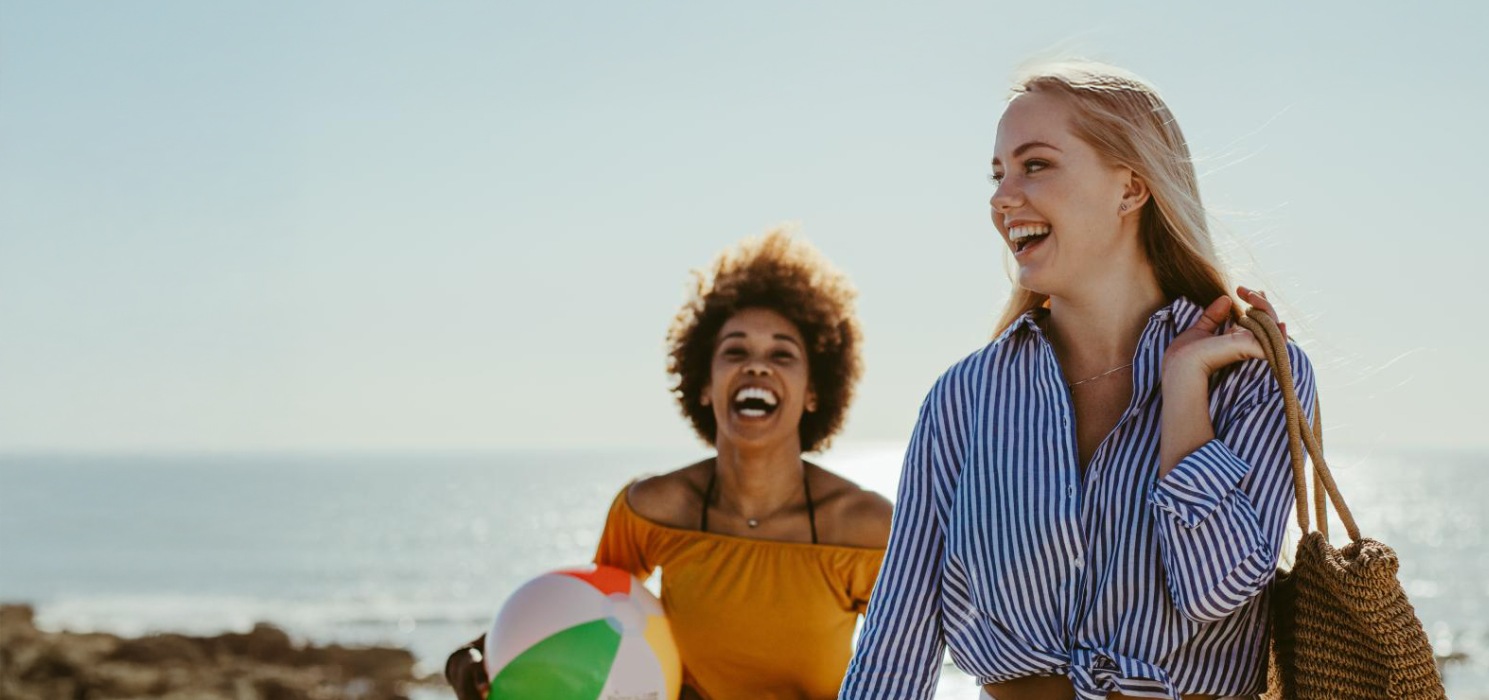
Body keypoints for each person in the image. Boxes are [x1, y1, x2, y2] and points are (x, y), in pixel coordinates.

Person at [839, 61, 1310, 700]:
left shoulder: (1250, 374)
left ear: (1131, 188)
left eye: (1035, 165)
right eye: (998, 173)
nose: (1003, 197)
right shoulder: (966, 399)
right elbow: (897, 640)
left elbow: (1216, 589)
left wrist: (1183, 395)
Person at [449, 228, 893, 700]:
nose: (757, 367)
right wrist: (485, 657)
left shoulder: (866, 527)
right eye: (735, 351)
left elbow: (901, 675)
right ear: (704, 384)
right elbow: (592, 621)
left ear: (813, 393)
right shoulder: (651, 508)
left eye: (782, 353)